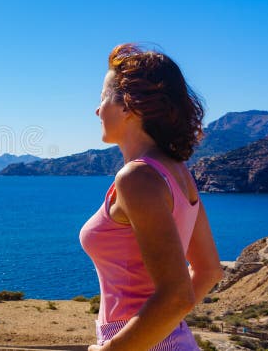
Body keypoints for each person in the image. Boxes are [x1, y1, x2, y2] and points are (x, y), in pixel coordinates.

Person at [79, 43, 225, 350]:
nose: (97, 109)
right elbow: (208, 269)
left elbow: (177, 295)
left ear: (128, 106)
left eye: (103, 97)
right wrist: (165, 324)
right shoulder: (178, 173)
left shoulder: (137, 178)